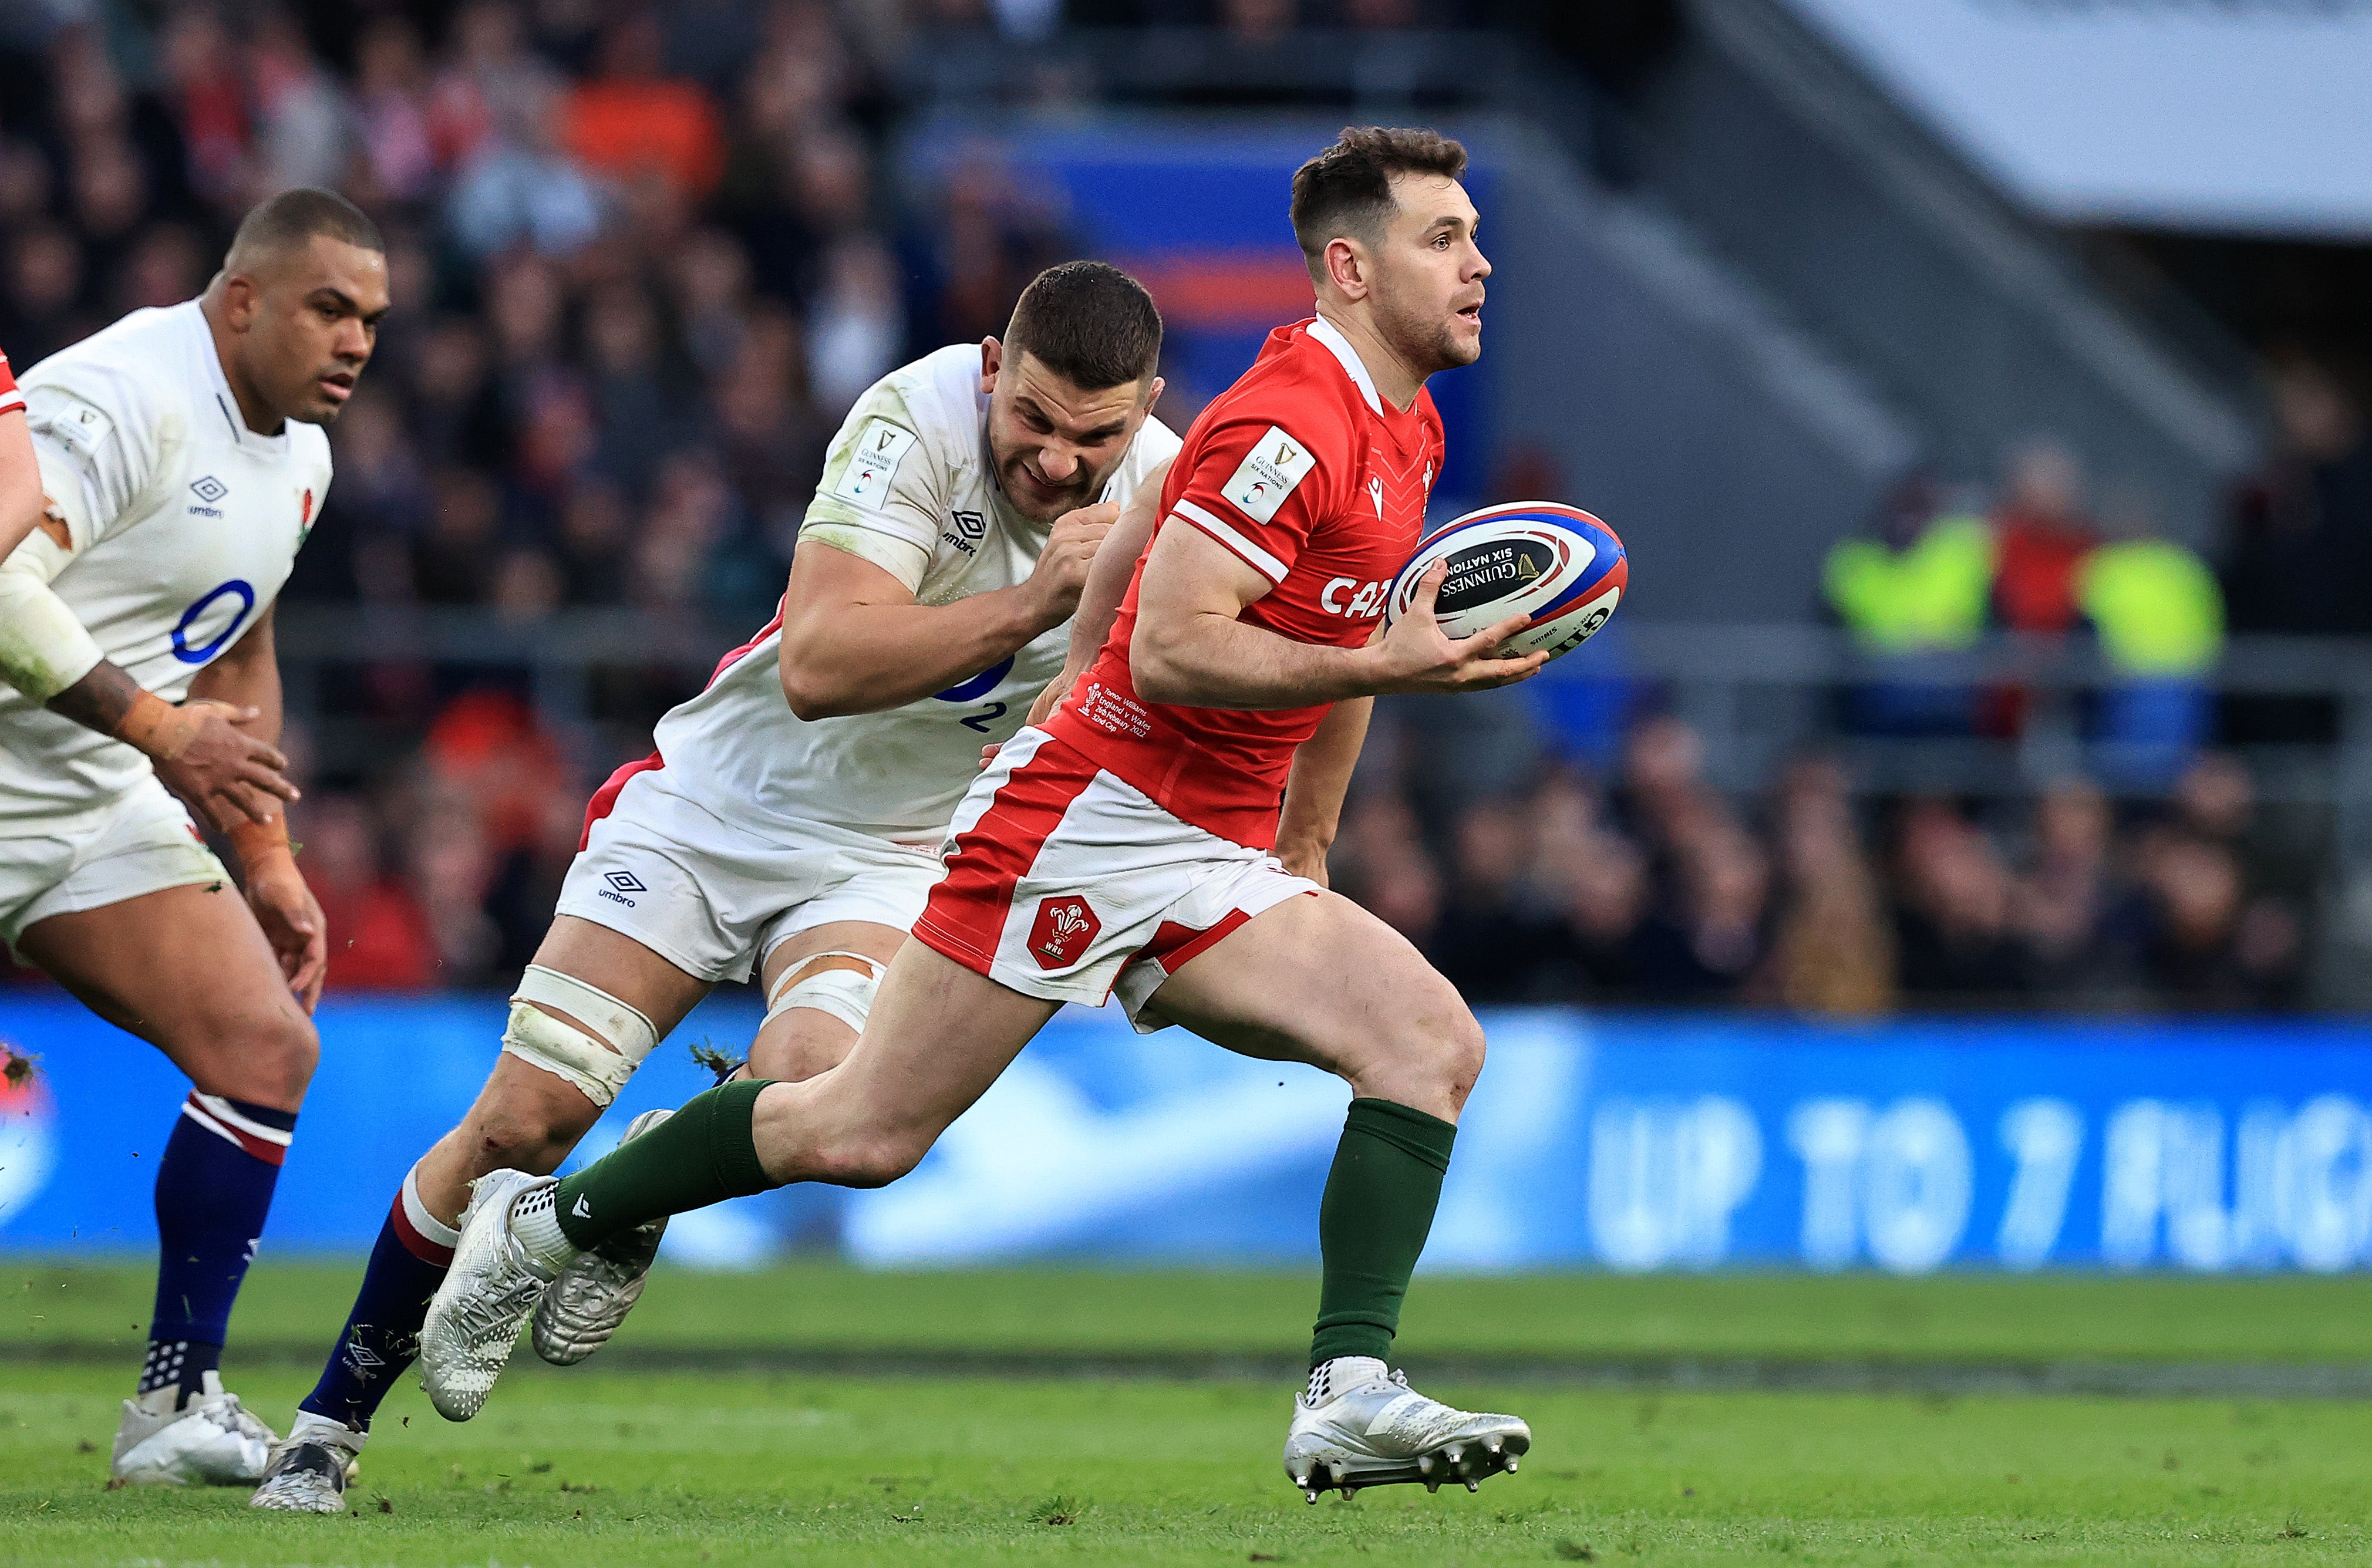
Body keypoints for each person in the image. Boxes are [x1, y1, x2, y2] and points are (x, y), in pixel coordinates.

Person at [423, 125, 1542, 1503]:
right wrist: (1333, 667)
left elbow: (1252, 573)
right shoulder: (1291, 422)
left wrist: (1305, 837)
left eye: (1474, 235)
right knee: (858, 1134)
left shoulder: (1398, 423)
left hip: (1195, 846)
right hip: (1083, 820)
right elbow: (1178, 647)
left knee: (1428, 1042)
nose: (1479, 261)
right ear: (1353, 268)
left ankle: (1345, 1390)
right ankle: (553, 1223)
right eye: (1447, 238)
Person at [249, 261, 1181, 1512]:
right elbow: (822, 663)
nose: (1061, 463)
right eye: (1035, 420)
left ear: (1149, 408)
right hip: (719, 808)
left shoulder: (1171, 492)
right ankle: (329, 1422)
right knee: (523, 1120)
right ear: (989, 369)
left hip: (893, 852)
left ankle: (616, 1199)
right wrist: (1035, 599)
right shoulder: (911, 420)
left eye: (1097, 437)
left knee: (807, 1092)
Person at [0, 190, 389, 1486]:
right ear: (243, 301)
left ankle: (172, 1404)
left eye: (372, 321)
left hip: (83, 798)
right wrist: (164, 735)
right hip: (71, 756)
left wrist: (267, 855)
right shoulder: (118, 400)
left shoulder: (307, 460)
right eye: (329, 309)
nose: (354, 343)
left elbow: (243, 639)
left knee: (264, 1045)